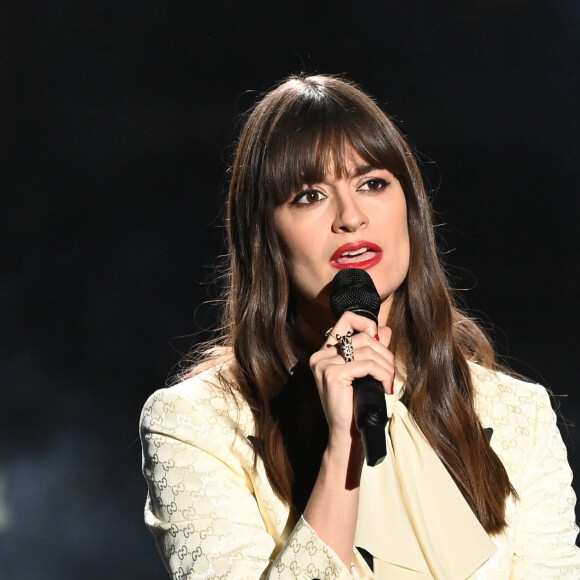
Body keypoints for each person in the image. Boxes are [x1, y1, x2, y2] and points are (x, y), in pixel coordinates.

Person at [139, 75, 580, 579]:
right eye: (309, 195)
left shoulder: (519, 415)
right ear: (265, 237)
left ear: (410, 210)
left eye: (372, 183)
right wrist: (343, 448)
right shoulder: (197, 423)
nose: (350, 217)